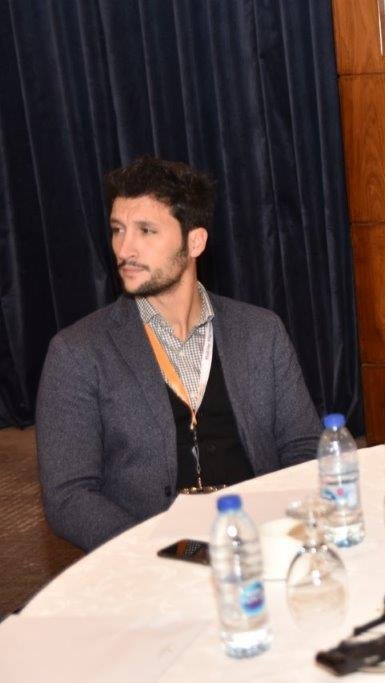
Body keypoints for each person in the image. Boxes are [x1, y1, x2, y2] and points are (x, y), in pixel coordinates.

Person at [36, 156, 321, 551]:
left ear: (195, 242)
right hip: (149, 559)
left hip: (262, 543)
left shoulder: (260, 331)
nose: (125, 249)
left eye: (146, 231)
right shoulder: (77, 352)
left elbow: (304, 448)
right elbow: (69, 497)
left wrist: (281, 530)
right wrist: (157, 549)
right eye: (118, 230)